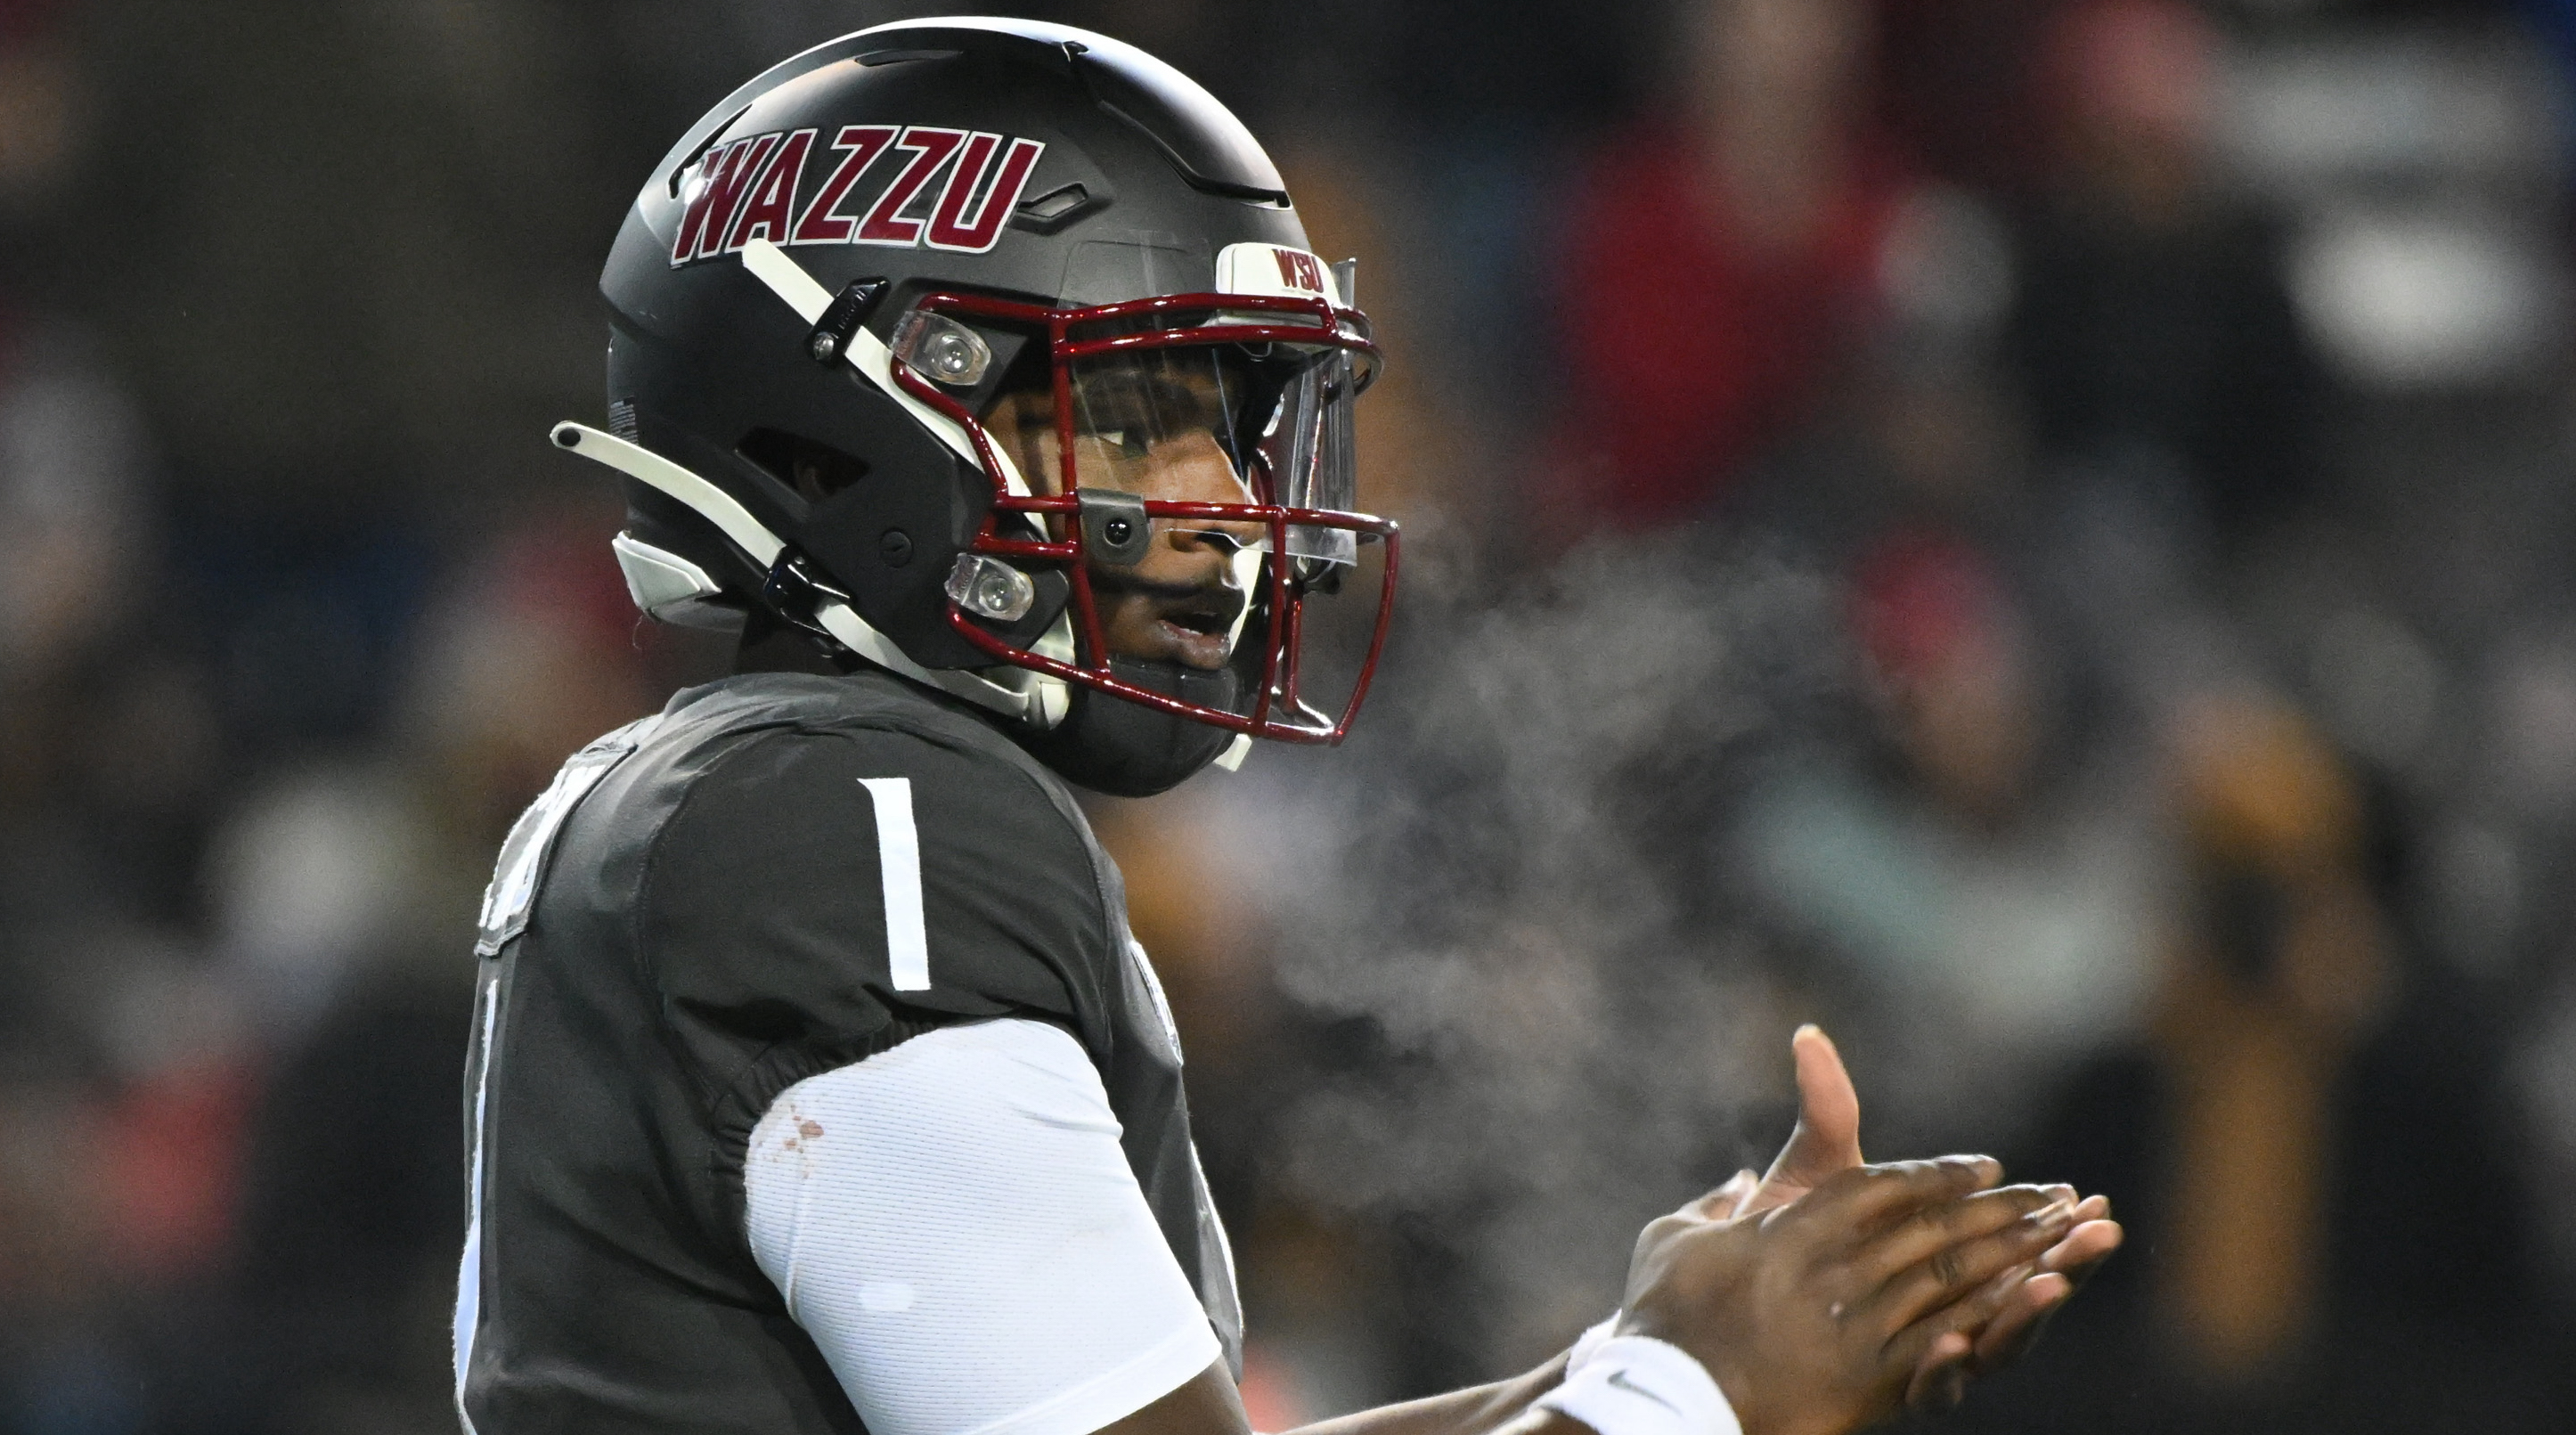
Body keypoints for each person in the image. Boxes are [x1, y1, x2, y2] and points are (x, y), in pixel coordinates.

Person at [452, 19, 2119, 1435]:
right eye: (1142, 413)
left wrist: (1631, 1357)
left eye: (1238, 429)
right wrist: (1695, 1394)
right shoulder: (852, 819)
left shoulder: (749, 795)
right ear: (860, 412)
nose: (1224, 509)